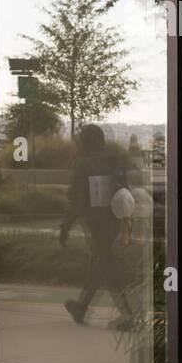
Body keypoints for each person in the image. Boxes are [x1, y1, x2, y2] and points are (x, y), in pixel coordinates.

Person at [59, 124, 134, 328]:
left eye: (82, 138)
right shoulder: (114, 159)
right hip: (114, 221)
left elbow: (75, 200)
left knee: (105, 264)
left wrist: (65, 227)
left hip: (95, 223)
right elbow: (124, 191)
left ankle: (127, 314)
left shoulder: (82, 163)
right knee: (100, 262)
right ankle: (81, 307)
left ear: (87, 140)